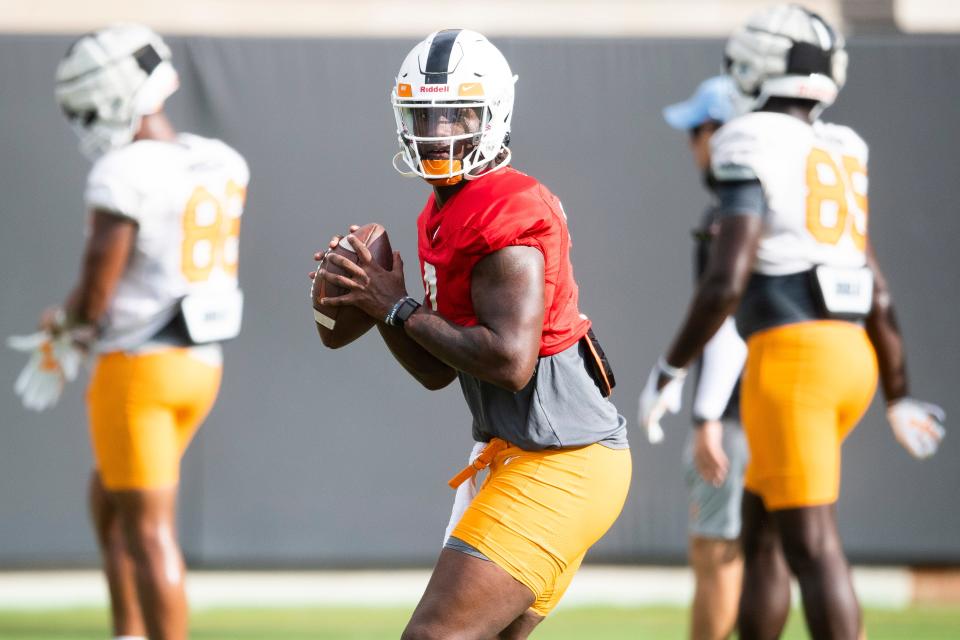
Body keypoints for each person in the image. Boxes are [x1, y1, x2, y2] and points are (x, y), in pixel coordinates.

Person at [637, 5, 945, 640]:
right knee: (765, 534)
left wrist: (669, 370)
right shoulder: (839, 147)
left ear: (757, 66)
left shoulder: (747, 139)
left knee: (811, 544)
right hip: (850, 352)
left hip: (793, 360)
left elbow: (727, 279)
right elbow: (878, 288)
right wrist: (897, 390)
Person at [313, 29, 631, 640]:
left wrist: (398, 304)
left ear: (494, 115)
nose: (438, 131)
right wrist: (379, 304)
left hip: (560, 463)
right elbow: (437, 371)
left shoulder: (504, 208)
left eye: (456, 113)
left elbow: (511, 362)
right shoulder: (443, 211)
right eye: (424, 115)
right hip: (525, 456)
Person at [10, 25, 249, 640]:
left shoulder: (125, 171)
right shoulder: (218, 159)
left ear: (109, 97)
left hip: (139, 368)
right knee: (110, 505)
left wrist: (60, 327)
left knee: (147, 532)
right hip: (200, 365)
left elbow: (94, 296)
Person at [661, 75, 748, 640]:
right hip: (778, 401)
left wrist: (706, 417)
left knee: (715, 548)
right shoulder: (752, 209)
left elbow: (725, 322)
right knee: (788, 549)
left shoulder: (728, 218)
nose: (693, 144)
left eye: (699, 130)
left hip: (735, 412)